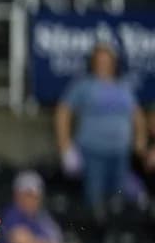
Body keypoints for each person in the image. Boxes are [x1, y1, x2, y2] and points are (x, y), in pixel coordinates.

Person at [55, 43, 147, 213]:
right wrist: (65, 146)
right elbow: (63, 112)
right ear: (93, 62)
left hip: (120, 152)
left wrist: (140, 139)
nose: (103, 64)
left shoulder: (123, 86)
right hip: (93, 151)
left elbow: (137, 114)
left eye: (107, 60)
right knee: (94, 200)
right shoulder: (83, 85)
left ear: (114, 62)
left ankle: (115, 237)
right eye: (100, 60)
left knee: (118, 201)